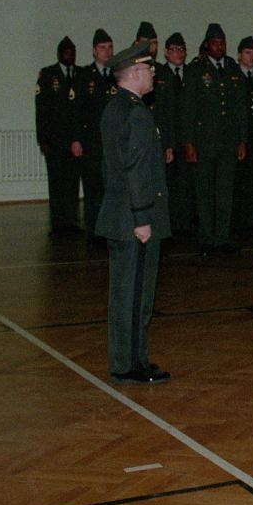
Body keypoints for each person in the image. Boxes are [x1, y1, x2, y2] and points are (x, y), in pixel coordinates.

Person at [97, 39, 172, 384]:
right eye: (149, 69)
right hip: (135, 219)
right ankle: (132, 364)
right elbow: (137, 170)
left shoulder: (115, 108)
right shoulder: (137, 114)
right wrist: (143, 218)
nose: (153, 74)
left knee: (123, 293)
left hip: (118, 215)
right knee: (135, 295)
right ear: (136, 73)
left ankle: (124, 359)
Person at [181, 23, 249, 256]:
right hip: (203, 142)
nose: (220, 46)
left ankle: (222, 237)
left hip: (228, 142)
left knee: (225, 192)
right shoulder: (196, 70)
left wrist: (242, 139)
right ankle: (206, 238)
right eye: (215, 42)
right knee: (204, 191)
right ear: (207, 44)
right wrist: (189, 142)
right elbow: (188, 109)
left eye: (223, 42)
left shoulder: (231, 68)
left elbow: (241, 108)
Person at [36, 35, 84, 234]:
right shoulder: (48, 75)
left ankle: (71, 222)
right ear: (59, 54)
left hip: (75, 139)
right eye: (66, 52)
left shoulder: (81, 74)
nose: (69, 55)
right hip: (54, 140)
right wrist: (43, 139)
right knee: (57, 182)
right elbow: (41, 109)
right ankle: (58, 224)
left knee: (72, 182)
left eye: (72, 52)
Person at [153, 32, 195, 237]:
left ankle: (184, 225)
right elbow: (160, 113)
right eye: (174, 49)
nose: (178, 53)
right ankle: (167, 227)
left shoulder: (191, 74)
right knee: (168, 185)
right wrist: (166, 143)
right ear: (166, 52)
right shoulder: (159, 75)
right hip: (169, 140)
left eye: (181, 49)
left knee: (186, 185)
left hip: (188, 140)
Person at [80, 28, 117, 248]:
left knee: (110, 188)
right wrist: (77, 139)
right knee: (93, 189)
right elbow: (77, 110)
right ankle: (94, 232)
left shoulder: (117, 75)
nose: (107, 51)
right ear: (94, 51)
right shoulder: (85, 76)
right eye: (102, 47)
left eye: (110, 47)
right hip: (91, 142)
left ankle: (109, 230)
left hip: (111, 143)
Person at [233, 36, 253, 234]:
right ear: (239, 55)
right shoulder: (233, 75)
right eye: (247, 53)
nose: (251, 57)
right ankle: (240, 221)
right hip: (239, 137)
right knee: (240, 180)